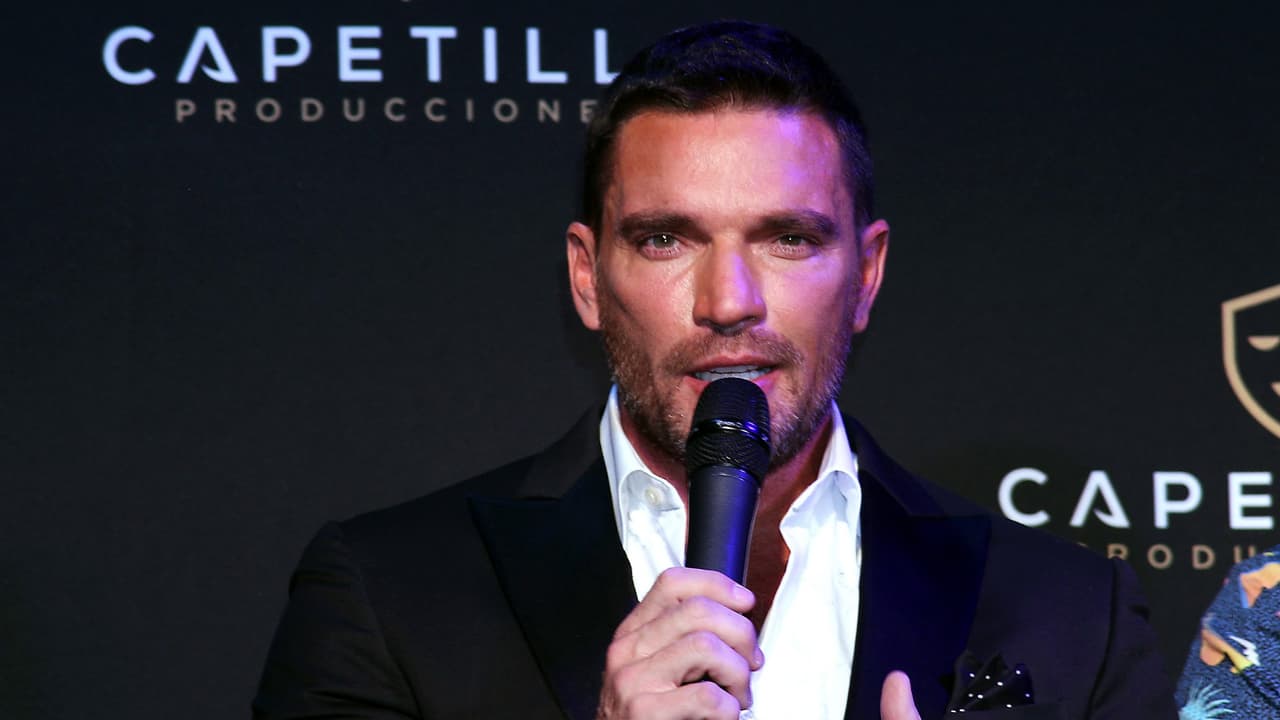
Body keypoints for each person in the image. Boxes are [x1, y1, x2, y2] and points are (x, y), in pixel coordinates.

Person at [254, 20, 1175, 719]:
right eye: (666, 238)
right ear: (588, 277)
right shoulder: (390, 594)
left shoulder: (1068, 614)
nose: (729, 299)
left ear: (866, 276)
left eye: (787, 238)